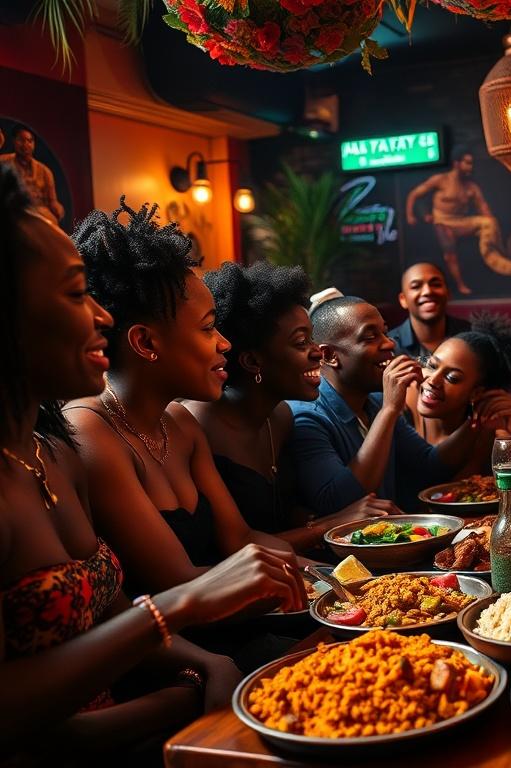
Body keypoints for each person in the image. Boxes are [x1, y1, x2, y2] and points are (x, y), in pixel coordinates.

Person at [0, 166, 306, 762]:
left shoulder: (50, 449)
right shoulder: (86, 432)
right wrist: (183, 675)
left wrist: (202, 666)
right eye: (72, 293)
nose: (102, 316)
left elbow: (106, 610)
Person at [63, 199, 301, 596]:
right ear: (145, 341)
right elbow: (177, 582)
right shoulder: (91, 431)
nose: (224, 343)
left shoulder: (179, 422)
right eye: (208, 329)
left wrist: (336, 577)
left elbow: (239, 538)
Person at [185, 262, 399, 553]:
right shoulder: (198, 423)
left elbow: (285, 513)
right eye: (301, 342)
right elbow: (234, 546)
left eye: (311, 338)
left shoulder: (281, 416)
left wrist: (319, 522)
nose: (316, 352)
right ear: (252, 362)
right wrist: (329, 525)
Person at [287, 296, 499, 515]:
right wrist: (390, 409)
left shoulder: (375, 402)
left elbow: (429, 467)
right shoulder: (306, 417)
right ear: (329, 355)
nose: (390, 343)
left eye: (385, 333)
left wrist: (478, 418)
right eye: (370, 337)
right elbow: (339, 502)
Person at [407, 313, 511, 447]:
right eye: (432, 366)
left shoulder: (488, 433)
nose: (433, 380)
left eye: (452, 377)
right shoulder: (403, 402)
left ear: (476, 393)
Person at [405, 148, 500, 295]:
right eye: (467, 163)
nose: (470, 167)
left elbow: (483, 207)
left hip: (462, 223)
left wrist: (491, 221)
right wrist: (410, 215)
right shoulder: (440, 180)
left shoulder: (471, 187)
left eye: (471, 163)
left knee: (488, 222)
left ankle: (496, 261)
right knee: (450, 253)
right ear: (457, 163)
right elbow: (414, 194)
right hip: (442, 222)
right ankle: (460, 285)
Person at [387, 261, 471, 359]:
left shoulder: (471, 336)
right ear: (403, 299)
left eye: (436, 284)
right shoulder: (390, 345)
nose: (428, 291)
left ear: (448, 293)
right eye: (416, 286)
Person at [0, 124, 64, 225]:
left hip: (38, 213)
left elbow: (52, 201)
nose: (25, 144)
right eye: (21, 140)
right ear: (14, 142)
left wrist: (57, 208)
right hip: (9, 212)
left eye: (29, 141)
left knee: (51, 224)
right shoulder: (3, 162)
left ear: (34, 144)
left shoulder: (45, 171)